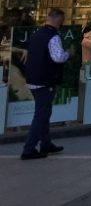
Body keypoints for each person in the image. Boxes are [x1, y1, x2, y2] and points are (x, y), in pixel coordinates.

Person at [21, 8, 70, 161]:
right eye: (62, 22)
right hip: (45, 80)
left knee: (44, 113)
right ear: (59, 21)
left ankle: (46, 143)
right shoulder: (53, 37)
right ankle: (29, 149)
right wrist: (68, 53)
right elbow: (58, 57)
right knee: (41, 115)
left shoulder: (36, 34)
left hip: (33, 79)